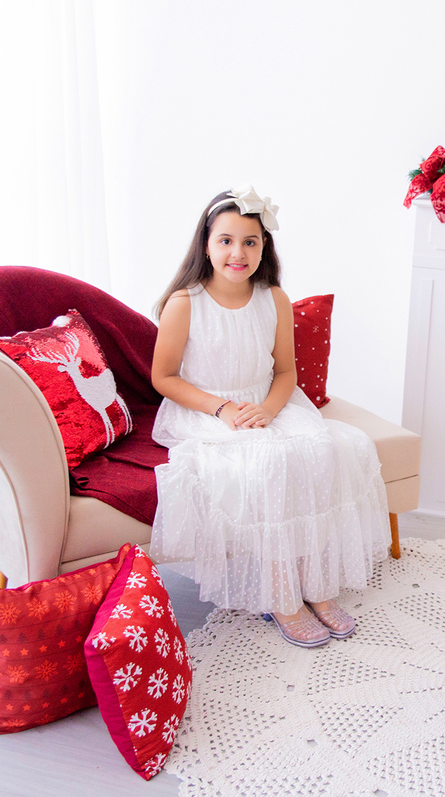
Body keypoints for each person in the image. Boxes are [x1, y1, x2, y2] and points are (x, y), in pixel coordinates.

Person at [149, 186, 390, 648]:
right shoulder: (186, 303)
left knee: (323, 450)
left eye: (250, 242)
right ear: (206, 244)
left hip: (269, 404)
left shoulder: (273, 298)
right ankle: (281, 596)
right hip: (208, 411)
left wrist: (270, 409)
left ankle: (315, 585)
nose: (237, 252)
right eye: (226, 240)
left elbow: (285, 371)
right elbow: (164, 377)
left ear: (264, 247)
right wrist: (223, 409)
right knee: (266, 465)